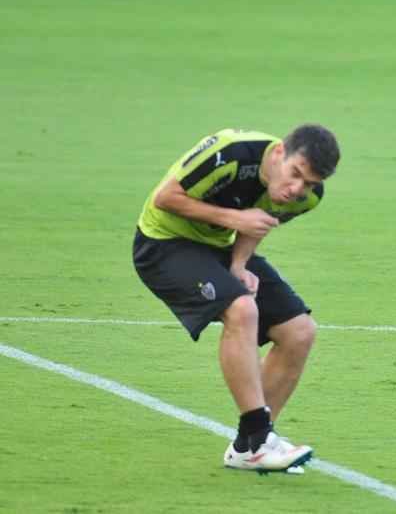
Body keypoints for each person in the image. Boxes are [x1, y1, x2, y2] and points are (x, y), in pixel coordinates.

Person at [133, 125, 340, 472]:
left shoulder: (308, 197)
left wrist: (239, 265)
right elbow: (165, 198)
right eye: (295, 174)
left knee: (300, 331)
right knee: (242, 308)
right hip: (163, 243)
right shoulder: (230, 153)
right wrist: (234, 218)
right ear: (279, 153)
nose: (297, 189)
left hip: (218, 246)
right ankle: (259, 439)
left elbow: (261, 221)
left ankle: (249, 445)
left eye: (308, 183)